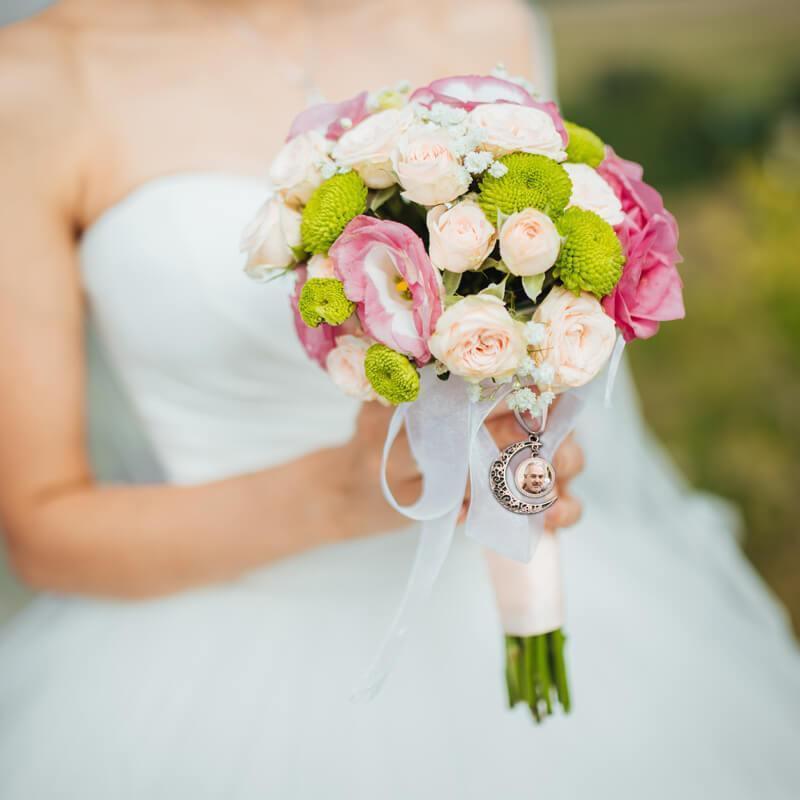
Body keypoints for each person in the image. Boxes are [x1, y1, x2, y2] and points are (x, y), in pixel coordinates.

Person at [0, 2, 798, 799]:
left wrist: (526, 440)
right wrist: (342, 495)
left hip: (498, 608)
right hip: (206, 654)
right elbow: (42, 525)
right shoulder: (37, 80)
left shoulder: (482, 19)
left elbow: (546, 296)